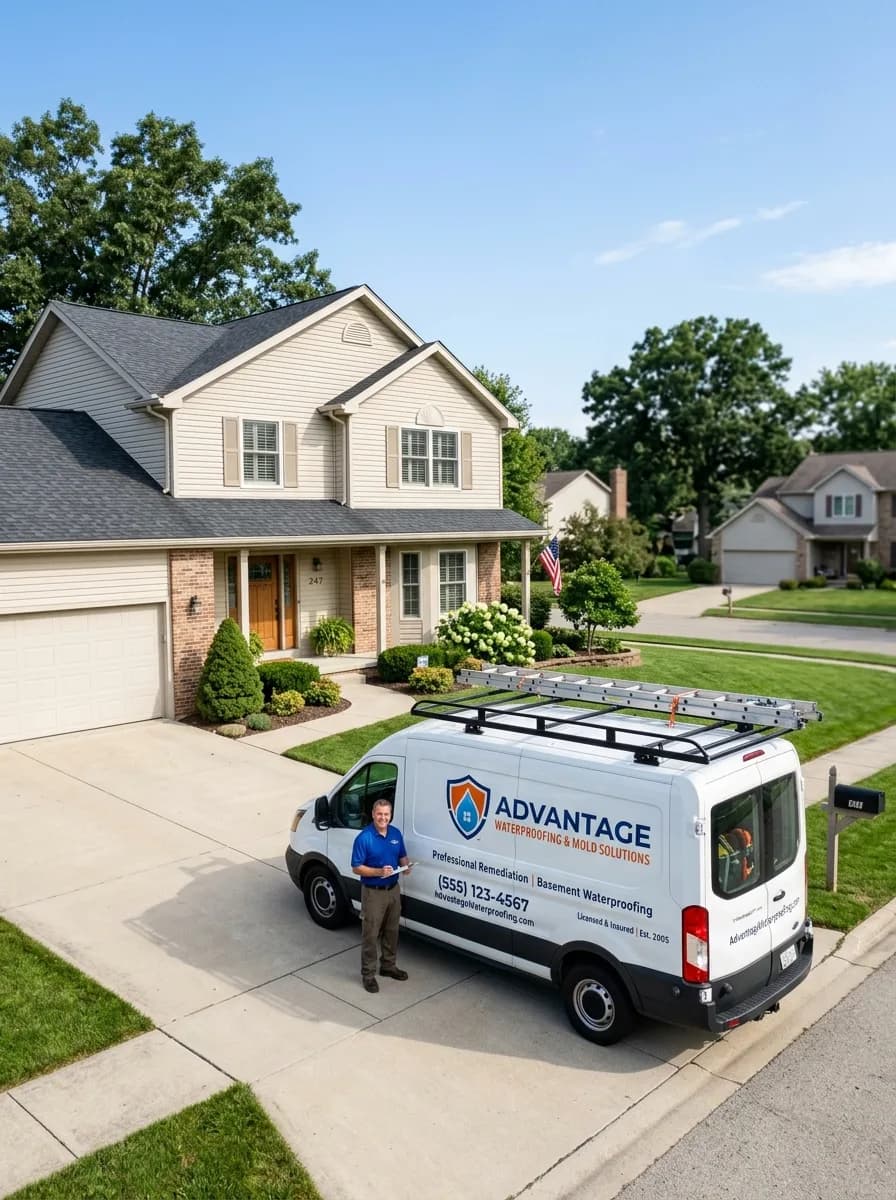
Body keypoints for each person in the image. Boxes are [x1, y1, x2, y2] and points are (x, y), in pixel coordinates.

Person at [351, 798, 411, 993]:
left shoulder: (395, 833)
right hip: (373, 893)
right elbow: (356, 868)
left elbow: (401, 854)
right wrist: (379, 872)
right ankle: (368, 975)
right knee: (371, 934)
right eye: (379, 814)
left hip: (393, 889)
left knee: (392, 930)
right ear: (373, 814)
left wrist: (406, 865)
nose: (383, 818)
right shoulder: (364, 838)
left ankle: (388, 966)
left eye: (386, 814)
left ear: (390, 815)